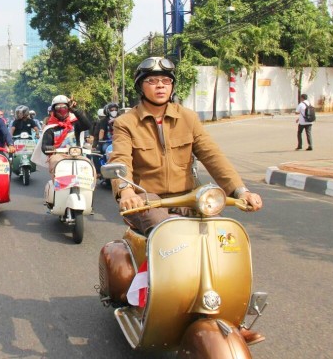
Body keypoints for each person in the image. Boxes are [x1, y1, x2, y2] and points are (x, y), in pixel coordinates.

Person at [110, 56, 265, 344]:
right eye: (152, 81)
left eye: (166, 81)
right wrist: (126, 191)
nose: (160, 86)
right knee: (169, 233)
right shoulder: (126, 122)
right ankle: (152, 304)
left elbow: (212, 156)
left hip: (187, 197)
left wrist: (240, 191)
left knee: (218, 241)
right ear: (140, 86)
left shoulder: (188, 118)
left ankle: (230, 317)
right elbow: (120, 159)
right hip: (147, 201)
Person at [36, 95, 92, 178]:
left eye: (64, 107)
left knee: (89, 167)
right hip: (58, 156)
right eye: (58, 107)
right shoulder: (50, 128)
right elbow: (44, 147)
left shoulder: (75, 124)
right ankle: (58, 187)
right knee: (56, 164)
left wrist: (75, 110)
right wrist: (52, 149)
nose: (61, 110)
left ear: (68, 109)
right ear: (54, 110)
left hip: (77, 154)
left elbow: (87, 125)